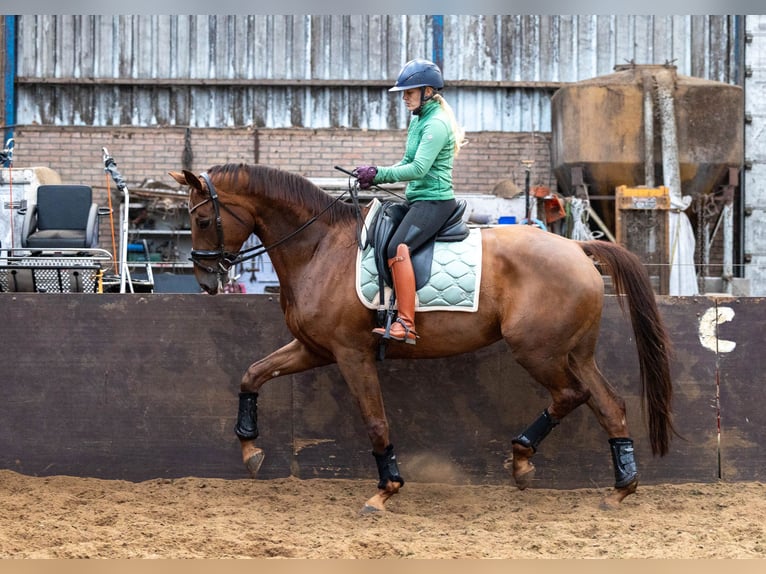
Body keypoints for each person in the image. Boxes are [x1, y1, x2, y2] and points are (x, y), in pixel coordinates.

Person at [355, 58, 467, 345]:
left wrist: (378, 173)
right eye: (403, 93)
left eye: (409, 92)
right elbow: (406, 162)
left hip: (435, 202)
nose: (404, 98)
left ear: (427, 91)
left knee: (397, 246)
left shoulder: (437, 124)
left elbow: (418, 169)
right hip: (417, 200)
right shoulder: (418, 120)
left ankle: (406, 323)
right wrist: (374, 175)